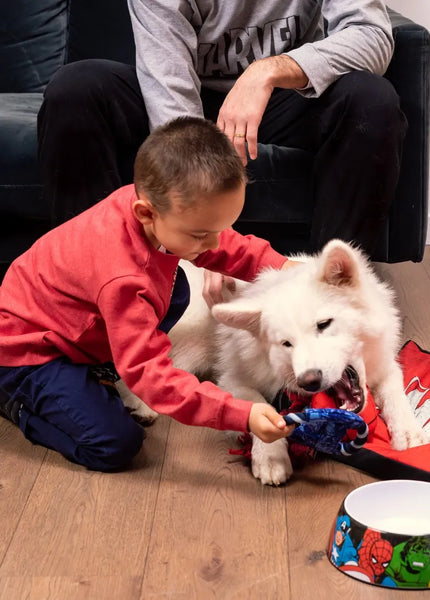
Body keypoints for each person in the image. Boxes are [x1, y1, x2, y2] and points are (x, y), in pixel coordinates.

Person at [0, 116, 295, 472]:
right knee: (113, 444)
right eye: (202, 233)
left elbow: (226, 247)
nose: (214, 244)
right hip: (26, 351)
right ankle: (13, 400)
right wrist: (241, 413)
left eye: (221, 228)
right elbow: (149, 375)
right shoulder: (125, 278)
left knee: (176, 288)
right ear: (146, 213)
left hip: (70, 318)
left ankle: (98, 368)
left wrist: (288, 269)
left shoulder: (148, 205)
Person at [37, 0, 407, 258]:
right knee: (76, 89)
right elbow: (172, 101)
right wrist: (210, 242)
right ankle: (96, 286)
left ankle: (327, 295)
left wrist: (267, 71)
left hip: (279, 95)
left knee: (372, 100)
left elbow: (372, 35)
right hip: (187, 93)